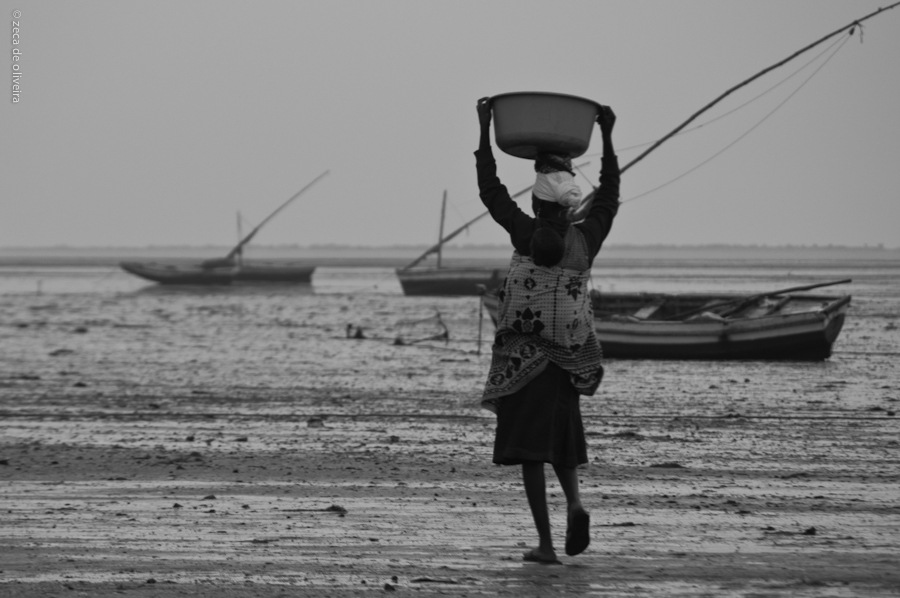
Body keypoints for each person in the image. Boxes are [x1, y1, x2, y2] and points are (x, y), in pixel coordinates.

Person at [475, 96, 620, 564]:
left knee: (531, 453)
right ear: (570, 204)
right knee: (562, 442)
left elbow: (490, 190)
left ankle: (545, 545)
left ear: (536, 200)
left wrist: (483, 129)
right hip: (568, 359)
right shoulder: (587, 240)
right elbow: (612, 196)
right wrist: (607, 135)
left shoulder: (524, 234)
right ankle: (575, 504)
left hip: (524, 362)